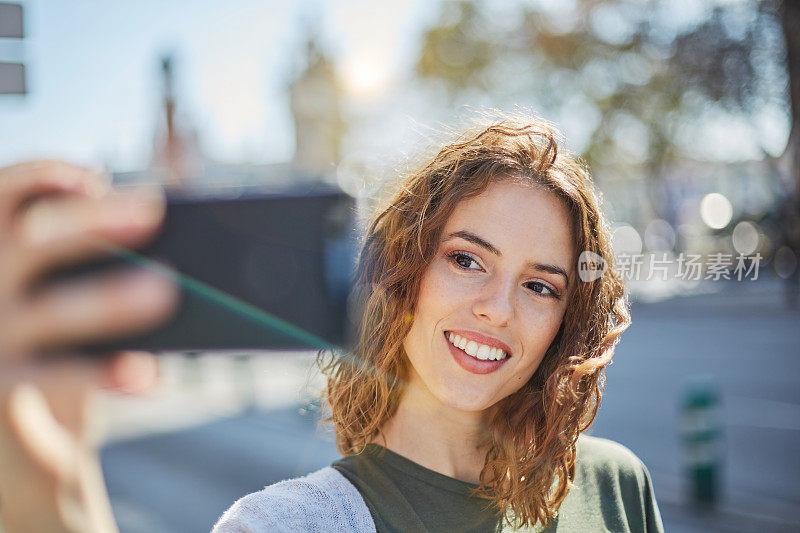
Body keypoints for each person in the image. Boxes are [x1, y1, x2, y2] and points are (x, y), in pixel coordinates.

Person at [0, 115, 664, 533]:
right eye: (466, 259)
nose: (499, 307)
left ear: (565, 321)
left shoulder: (615, 485)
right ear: (400, 269)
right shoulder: (288, 523)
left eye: (540, 285)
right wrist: (47, 501)